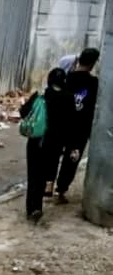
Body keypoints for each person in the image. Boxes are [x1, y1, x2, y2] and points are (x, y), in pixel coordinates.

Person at [20, 68, 74, 223]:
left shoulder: (42, 95)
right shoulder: (69, 98)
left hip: (37, 142)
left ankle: (33, 208)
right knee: (44, 175)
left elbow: (23, 113)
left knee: (33, 176)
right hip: (55, 144)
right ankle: (40, 204)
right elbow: (71, 124)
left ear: (50, 79)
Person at [51, 47, 99, 203]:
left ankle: (48, 186)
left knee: (53, 155)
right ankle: (61, 191)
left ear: (79, 59)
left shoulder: (67, 78)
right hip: (80, 129)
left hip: (63, 124)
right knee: (71, 159)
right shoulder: (93, 83)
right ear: (93, 63)